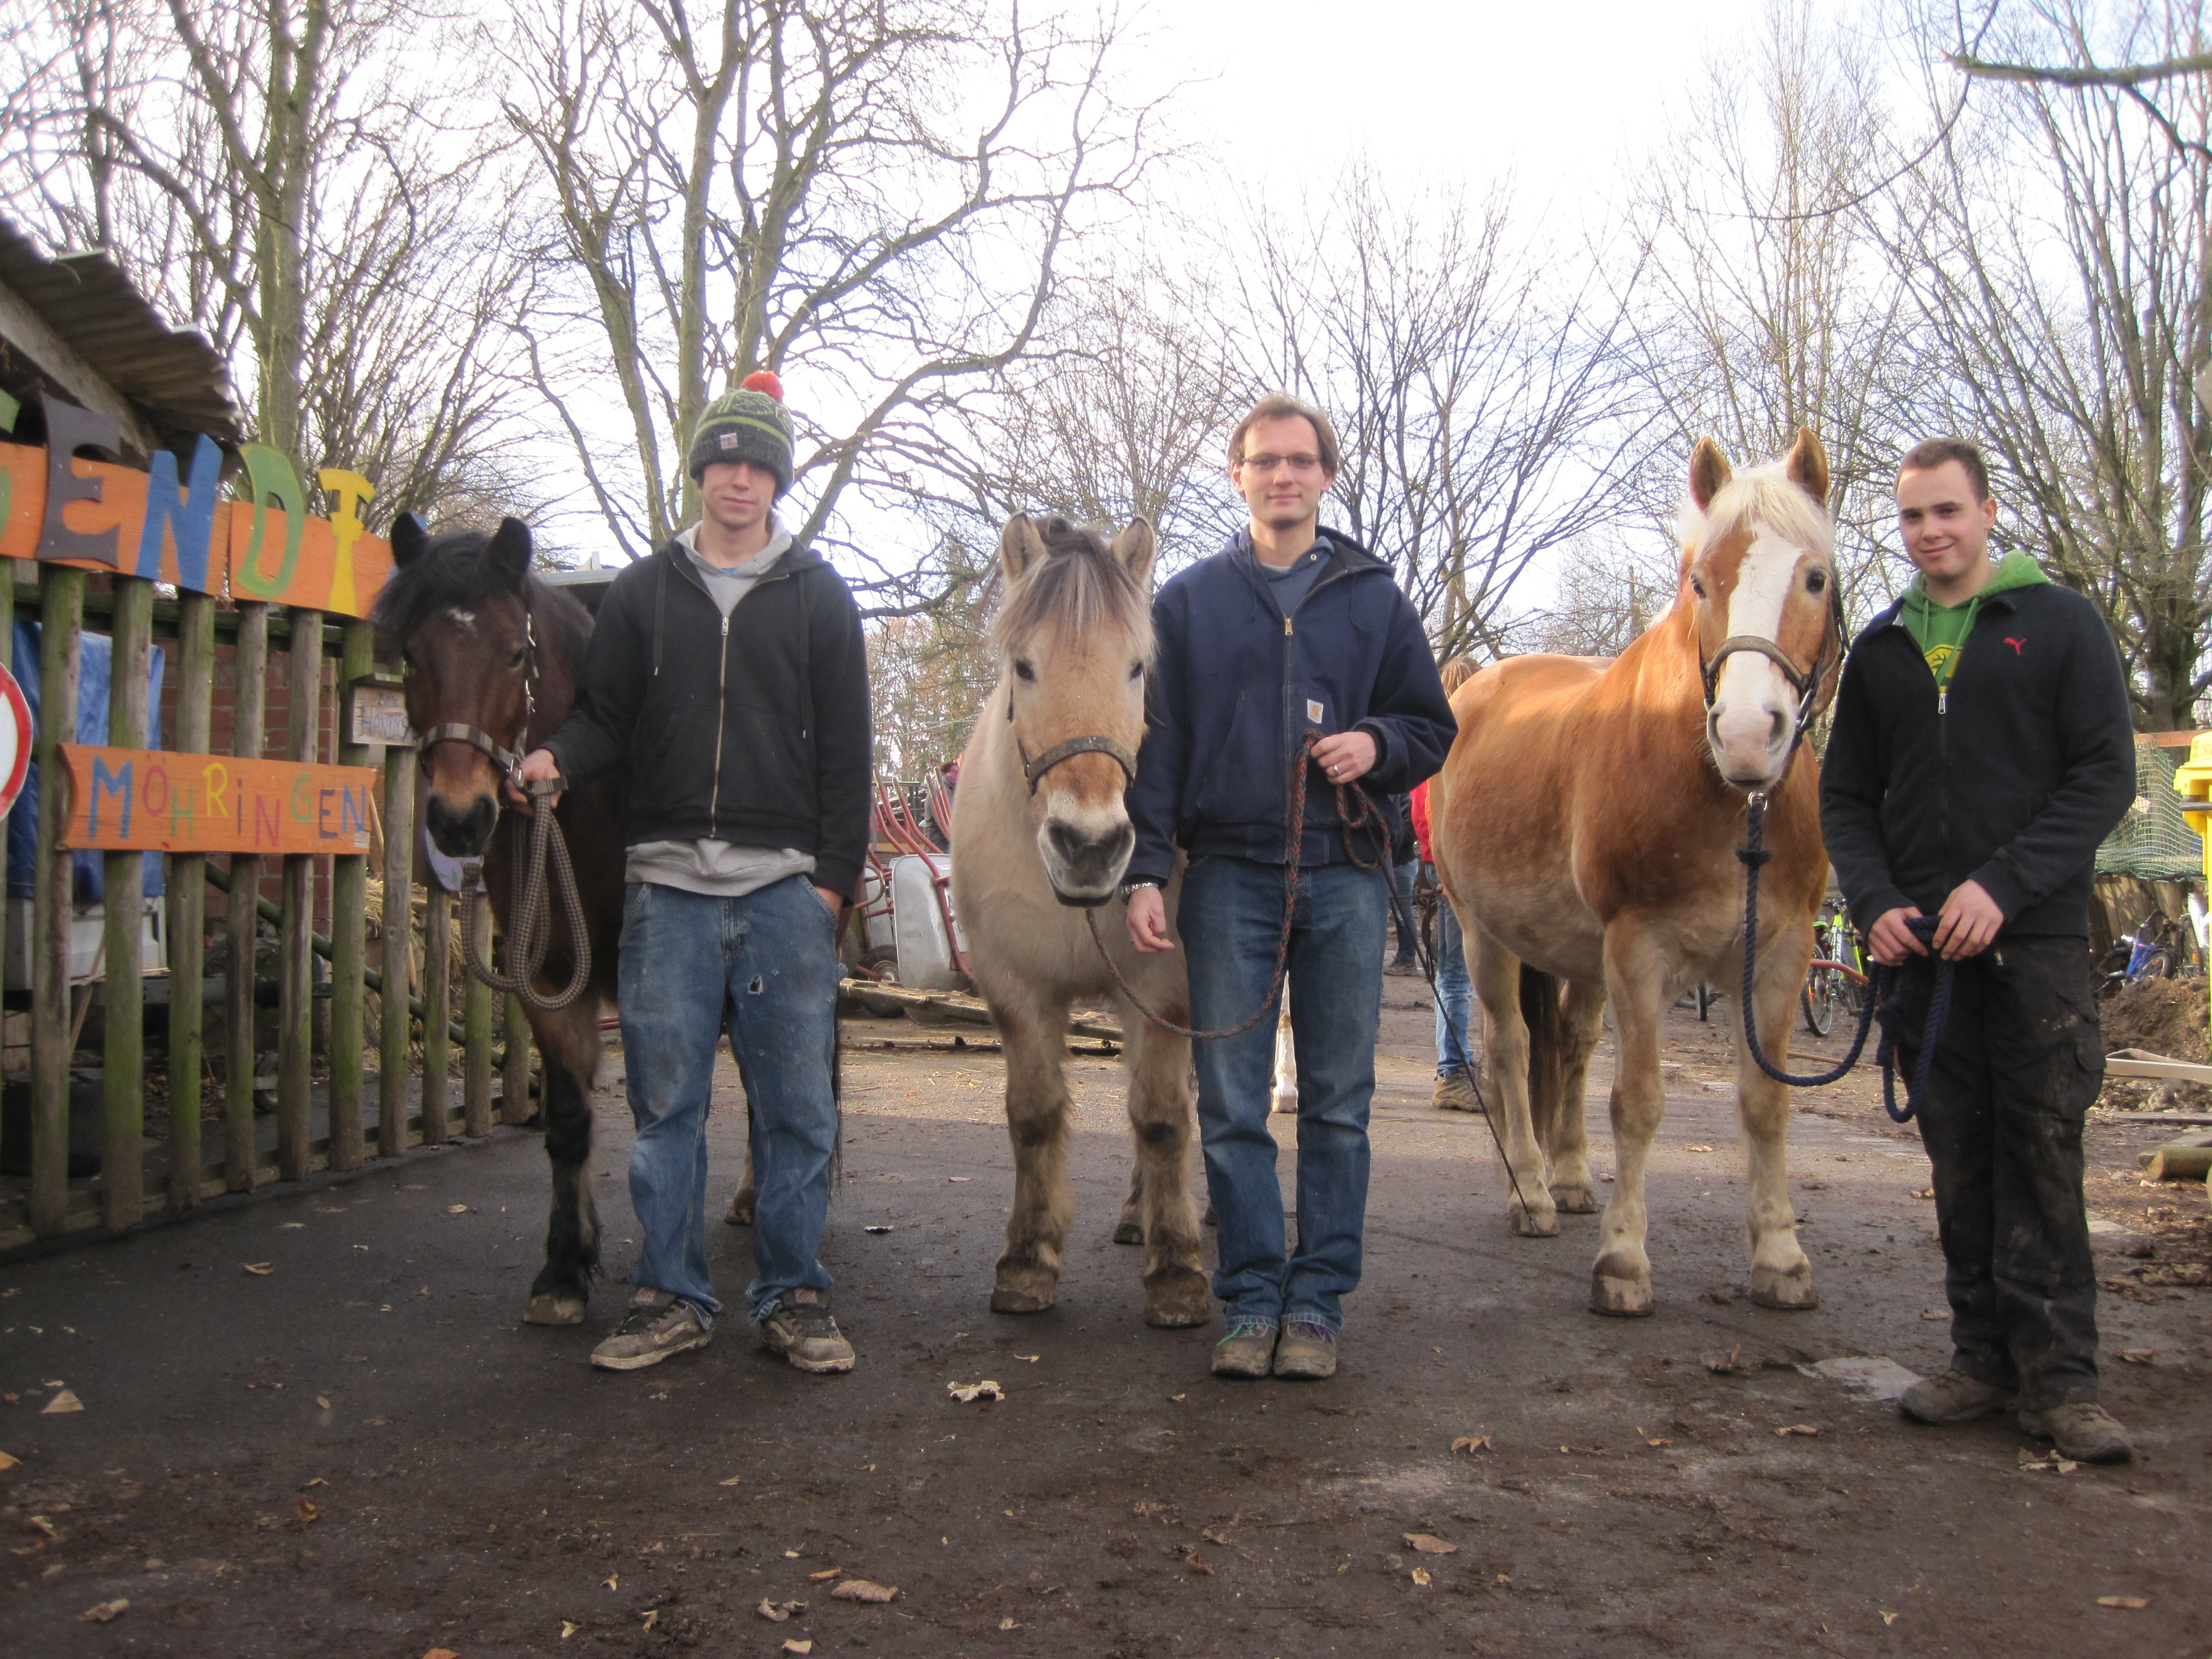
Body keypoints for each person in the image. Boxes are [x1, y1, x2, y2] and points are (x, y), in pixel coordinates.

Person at [514, 370, 872, 1376]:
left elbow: (849, 757)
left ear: (777, 481)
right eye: (723, 460)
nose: (739, 478)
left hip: (784, 891)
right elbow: (604, 719)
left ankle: (794, 1295)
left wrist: (830, 886)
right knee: (665, 1107)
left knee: (796, 1108)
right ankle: (669, 1294)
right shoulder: (642, 593)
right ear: (700, 472)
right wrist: (555, 759)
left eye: (758, 465)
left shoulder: (819, 597)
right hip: (667, 887)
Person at [1123, 392, 1456, 1382]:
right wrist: (1145, 870)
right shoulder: (1187, 602)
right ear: (1237, 476)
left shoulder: (1374, 599)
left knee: (1339, 1103)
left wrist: (1377, 744)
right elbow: (1157, 750)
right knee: (1232, 1104)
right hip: (1227, 877)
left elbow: (1431, 726)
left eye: (1299, 460)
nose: (1282, 475)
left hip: (1346, 877)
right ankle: (1251, 1300)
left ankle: (1315, 1305)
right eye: (1264, 460)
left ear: (1325, 475)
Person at [1820, 437, 2136, 1462]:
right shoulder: (1880, 650)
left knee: (2040, 1150)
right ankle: (1981, 1362)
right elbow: (1844, 797)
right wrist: (1873, 901)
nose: (1929, 532)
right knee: (1957, 1155)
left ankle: (2062, 1383)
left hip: (2033, 945)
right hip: (1924, 957)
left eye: (1947, 511)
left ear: (1987, 512)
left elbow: (2103, 776)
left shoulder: (2060, 625)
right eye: (1912, 516)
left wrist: (2001, 885)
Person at [1413, 655, 1480, 1111]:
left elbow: (1420, 808)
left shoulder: (1433, 740)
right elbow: (1430, 808)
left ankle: (1459, 1063)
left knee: (1456, 972)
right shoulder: (1461, 743)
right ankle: (1452, 1069)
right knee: (1456, 974)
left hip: (1444, 860)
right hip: (1456, 863)